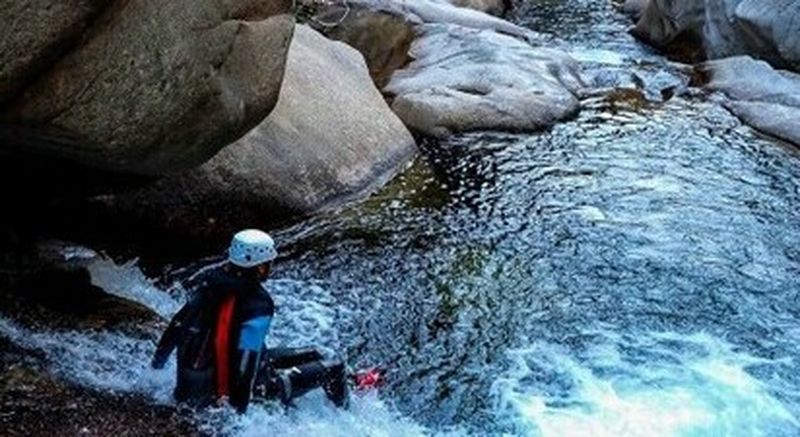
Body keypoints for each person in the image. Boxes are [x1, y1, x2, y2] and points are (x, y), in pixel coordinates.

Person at [151, 229, 348, 413]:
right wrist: (239, 412)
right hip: (248, 390)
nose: (271, 267)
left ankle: (330, 381)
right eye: (269, 263)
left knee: (316, 353)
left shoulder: (208, 283)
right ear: (260, 267)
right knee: (335, 365)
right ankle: (343, 414)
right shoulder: (258, 302)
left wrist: (156, 370)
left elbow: (175, 327)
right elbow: (247, 360)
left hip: (191, 387)